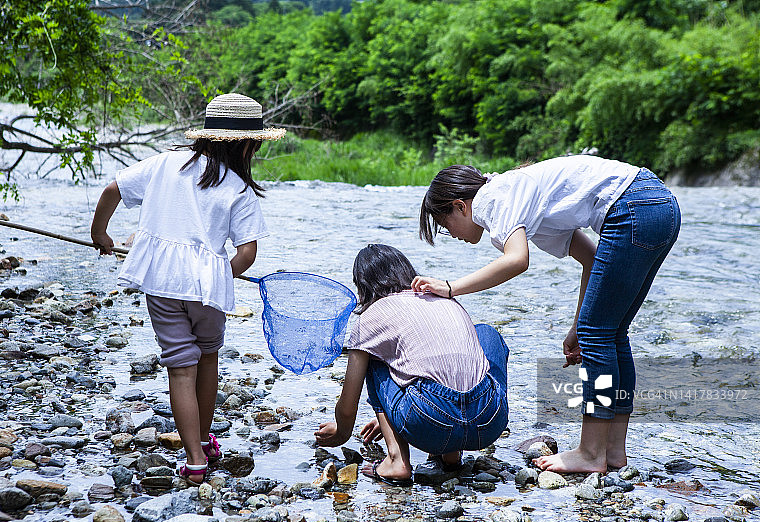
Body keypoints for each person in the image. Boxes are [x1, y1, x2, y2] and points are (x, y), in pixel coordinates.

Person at [413, 155, 681, 473]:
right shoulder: (526, 205)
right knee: (609, 333)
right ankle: (612, 452)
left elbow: (516, 260)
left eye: (446, 226)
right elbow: (593, 260)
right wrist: (578, 327)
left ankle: (590, 452)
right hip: (659, 204)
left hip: (633, 207)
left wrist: (450, 287)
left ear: (460, 205)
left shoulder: (491, 198)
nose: (453, 234)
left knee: (600, 336)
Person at [90, 93, 285, 485]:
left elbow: (113, 190)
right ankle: (206, 439)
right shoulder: (239, 188)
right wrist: (219, 273)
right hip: (208, 291)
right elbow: (247, 253)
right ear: (247, 145)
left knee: (180, 367)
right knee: (208, 358)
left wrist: (100, 233)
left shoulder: (164, 164)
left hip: (162, 283)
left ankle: (194, 457)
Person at [315, 244, 509, 486]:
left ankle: (397, 460)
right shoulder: (444, 299)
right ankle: (450, 456)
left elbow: (347, 406)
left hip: (430, 421)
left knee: (372, 357)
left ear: (363, 285)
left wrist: (341, 433)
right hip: (488, 422)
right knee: (487, 334)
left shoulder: (370, 317)